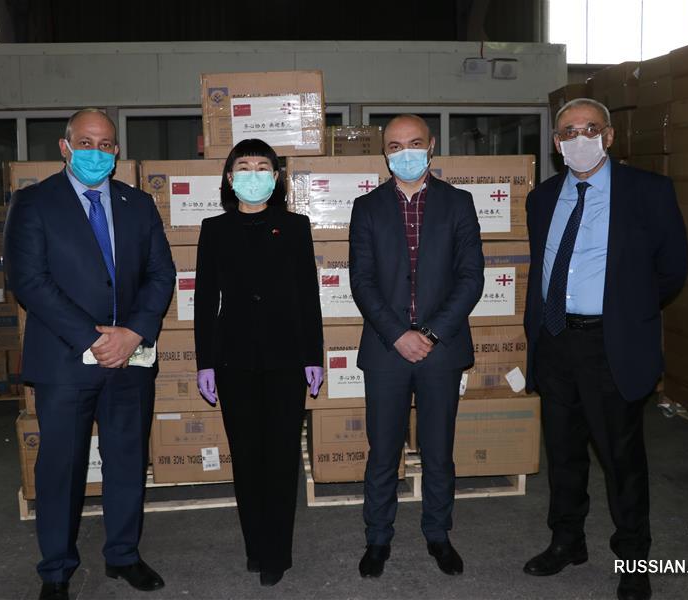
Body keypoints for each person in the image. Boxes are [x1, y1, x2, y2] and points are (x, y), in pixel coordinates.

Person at [4, 108, 175, 600]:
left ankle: (123, 555)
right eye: (85, 142)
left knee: (126, 460)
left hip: (130, 361)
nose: (95, 153)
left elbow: (161, 274)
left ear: (116, 152)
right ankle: (56, 569)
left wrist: (133, 334)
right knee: (61, 467)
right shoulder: (34, 203)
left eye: (105, 145)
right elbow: (28, 280)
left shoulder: (137, 204)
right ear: (65, 147)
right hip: (64, 361)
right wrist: (93, 338)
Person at [522, 98, 688, 600]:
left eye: (591, 129)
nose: (580, 139)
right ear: (556, 143)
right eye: (569, 132)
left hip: (610, 343)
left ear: (609, 136)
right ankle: (567, 540)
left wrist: (625, 312)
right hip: (555, 340)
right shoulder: (542, 198)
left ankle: (634, 558)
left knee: (621, 459)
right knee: (563, 451)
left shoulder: (648, 192)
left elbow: (672, 269)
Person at [349, 114, 484, 578]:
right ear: (384, 153)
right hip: (385, 348)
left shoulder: (459, 203)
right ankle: (377, 538)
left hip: (441, 349)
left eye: (413, 143)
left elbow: (471, 278)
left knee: (439, 450)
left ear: (431, 146)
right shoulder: (366, 208)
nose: (404, 152)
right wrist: (398, 334)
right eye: (394, 145)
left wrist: (429, 333)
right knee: (383, 451)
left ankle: (438, 534)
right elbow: (362, 281)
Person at [193, 138, 324, 587]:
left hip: (287, 359)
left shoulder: (295, 226)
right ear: (230, 178)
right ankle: (256, 546)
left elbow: (308, 296)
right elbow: (205, 300)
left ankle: (277, 553)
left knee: (282, 458)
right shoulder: (214, 229)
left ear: (276, 176)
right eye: (244, 167)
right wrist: (205, 363)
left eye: (262, 166)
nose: (254, 174)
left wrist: (313, 356)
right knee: (247, 459)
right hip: (234, 360)